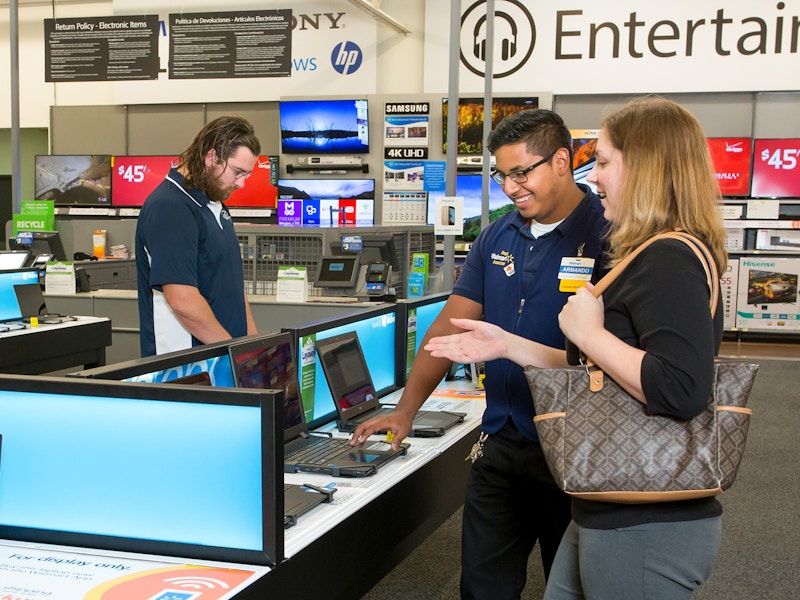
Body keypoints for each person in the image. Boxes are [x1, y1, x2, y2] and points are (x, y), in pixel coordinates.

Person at [426, 96, 728, 599]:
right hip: (609, 498)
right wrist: (506, 344)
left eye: (605, 162)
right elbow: (592, 369)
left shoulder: (669, 258)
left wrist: (589, 334)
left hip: (644, 510)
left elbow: (681, 388)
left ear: (648, 169)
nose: (597, 176)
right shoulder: (647, 253)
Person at [350, 109, 608, 599]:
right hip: (502, 440)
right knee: (482, 587)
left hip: (576, 449)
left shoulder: (605, 235)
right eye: (501, 174)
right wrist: (405, 410)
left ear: (561, 161)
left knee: (572, 587)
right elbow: (450, 326)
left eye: (520, 173)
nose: (510, 188)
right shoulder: (497, 235)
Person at [136, 115, 260, 357]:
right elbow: (183, 300)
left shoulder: (214, 202)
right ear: (211, 157)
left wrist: (254, 347)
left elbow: (232, 286)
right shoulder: (171, 207)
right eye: (237, 172)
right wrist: (235, 354)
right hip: (188, 366)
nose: (241, 184)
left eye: (247, 175)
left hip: (222, 355)